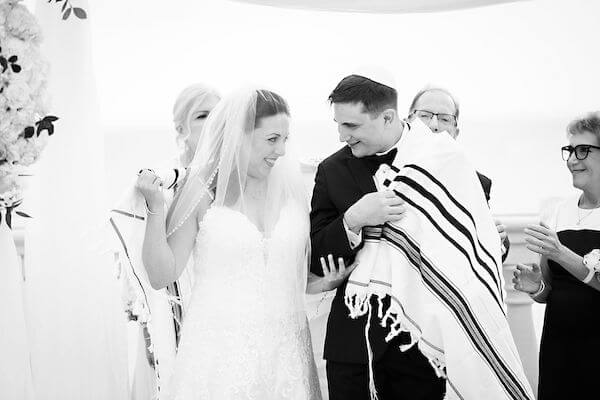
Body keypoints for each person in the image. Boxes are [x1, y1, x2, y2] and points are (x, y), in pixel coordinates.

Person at [136, 88, 346, 399]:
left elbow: (290, 276)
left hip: (286, 356)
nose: (282, 150)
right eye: (272, 139)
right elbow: (161, 275)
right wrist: (155, 208)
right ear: (239, 137)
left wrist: (324, 282)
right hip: (219, 359)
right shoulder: (201, 191)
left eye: (285, 139)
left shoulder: (291, 193)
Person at [310, 72, 445, 400]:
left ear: (387, 117)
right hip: (353, 345)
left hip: (424, 342)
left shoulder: (441, 160)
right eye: (339, 125)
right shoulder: (332, 170)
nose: (343, 136)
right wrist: (353, 220)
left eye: (352, 126)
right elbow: (316, 254)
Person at [513, 111, 600, 399]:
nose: (573, 160)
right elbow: (549, 290)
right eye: (570, 150)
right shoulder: (557, 210)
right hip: (559, 348)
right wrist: (535, 286)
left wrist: (560, 252)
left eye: (583, 150)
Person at [407, 86, 510, 261]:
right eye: (424, 115)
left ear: (456, 133)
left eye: (445, 119)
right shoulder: (385, 169)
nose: (434, 125)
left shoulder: (477, 182)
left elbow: (492, 250)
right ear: (408, 121)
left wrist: (498, 241)